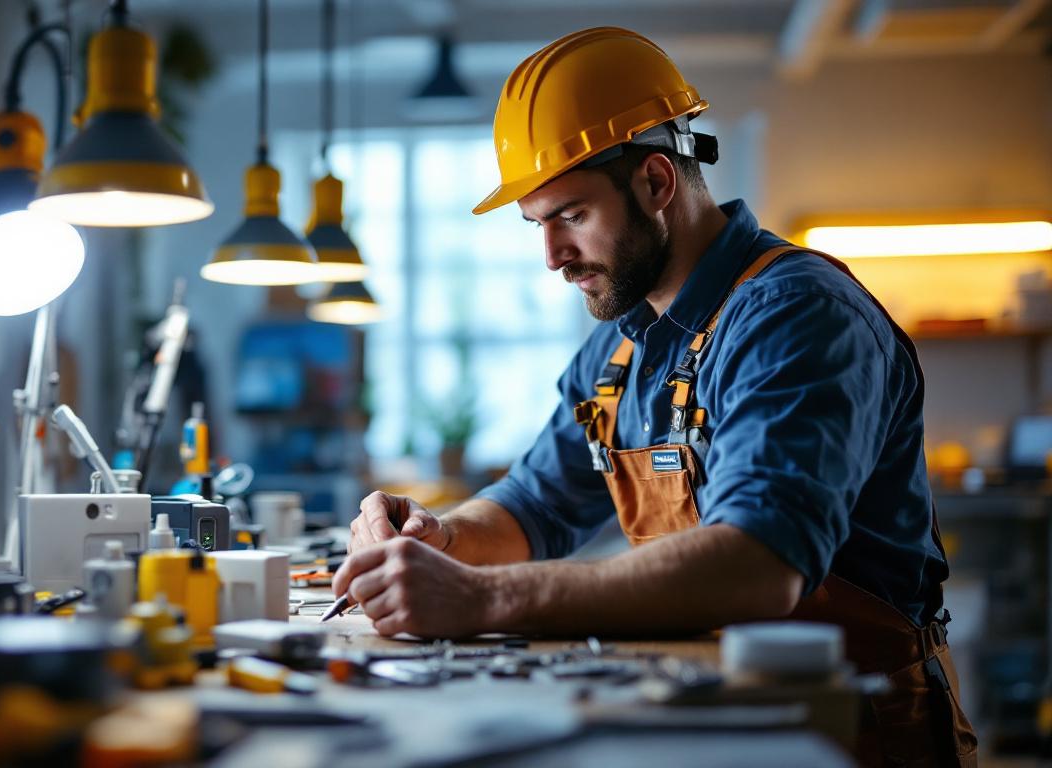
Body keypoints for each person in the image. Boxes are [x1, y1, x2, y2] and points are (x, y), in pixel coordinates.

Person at [332, 27, 976, 767]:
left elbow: (757, 567)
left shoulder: (795, 315)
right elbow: (536, 504)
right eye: (537, 225)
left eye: (571, 216)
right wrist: (437, 538)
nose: (552, 258)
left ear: (657, 183)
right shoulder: (620, 345)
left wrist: (484, 600)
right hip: (707, 709)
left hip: (852, 724)